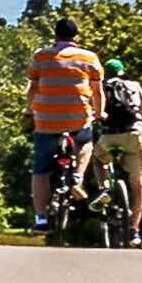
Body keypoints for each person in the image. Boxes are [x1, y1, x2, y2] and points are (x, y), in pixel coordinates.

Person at [26, 16, 104, 230]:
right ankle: (77, 176)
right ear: (76, 37)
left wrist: (29, 110)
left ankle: (41, 218)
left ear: (55, 35)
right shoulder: (89, 58)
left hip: (46, 121)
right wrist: (100, 112)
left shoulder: (40, 57)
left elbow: (33, 88)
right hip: (77, 118)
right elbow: (97, 91)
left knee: (40, 170)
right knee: (86, 144)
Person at [87, 57, 142, 245]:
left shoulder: (99, 87)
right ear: (122, 72)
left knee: (98, 159)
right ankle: (134, 230)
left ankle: (104, 187)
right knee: (138, 182)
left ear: (105, 73)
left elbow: (93, 112)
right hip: (134, 134)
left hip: (110, 135)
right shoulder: (134, 86)